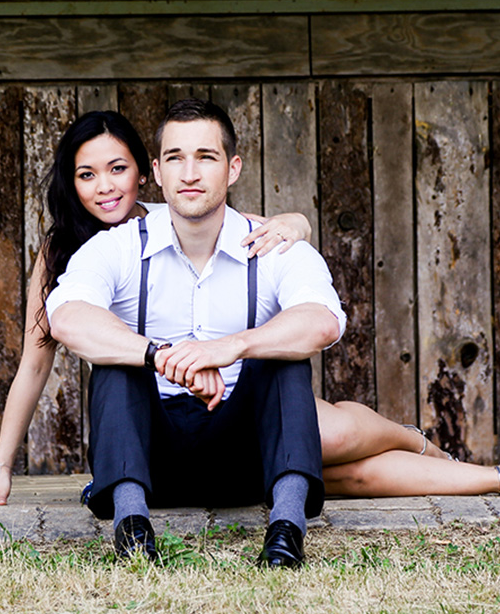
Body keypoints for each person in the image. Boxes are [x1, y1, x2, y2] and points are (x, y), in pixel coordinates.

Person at [0, 110, 314, 508]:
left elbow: (263, 229)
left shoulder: (174, 218)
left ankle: (388, 438)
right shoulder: (61, 253)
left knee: (337, 430)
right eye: (86, 175)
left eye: (117, 169)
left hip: (221, 405)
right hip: (141, 413)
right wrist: (1, 472)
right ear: (72, 183)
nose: (104, 187)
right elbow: (34, 366)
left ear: (145, 172)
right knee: (340, 457)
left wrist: (297, 222)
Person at [45, 98, 346, 567]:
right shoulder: (118, 246)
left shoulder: (272, 243)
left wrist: (231, 347)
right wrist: (163, 355)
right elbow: (66, 315)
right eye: (175, 158)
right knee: (119, 363)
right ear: (157, 173)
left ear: (233, 168)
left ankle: (286, 533)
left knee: (281, 356)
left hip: (246, 462)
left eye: (205, 157)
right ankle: (132, 531)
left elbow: (323, 320)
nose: (189, 173)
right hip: (151, 462)